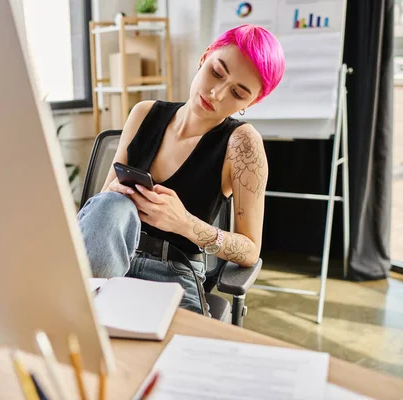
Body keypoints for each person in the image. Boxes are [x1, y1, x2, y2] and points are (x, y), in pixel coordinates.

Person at [77, 24, 285, 314]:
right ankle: (85, 310)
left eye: (237, 93)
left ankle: (87, 311)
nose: (216, 93)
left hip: (173, 274)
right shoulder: (143, 113)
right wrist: (115, 193)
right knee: (111, 206)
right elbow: (101, 209)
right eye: (217, 72)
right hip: (112, 258)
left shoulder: (242, 144)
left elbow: (250, 250)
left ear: (252, 102)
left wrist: (184, 223)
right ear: (204, 57)